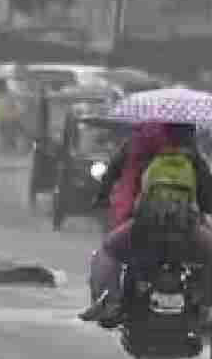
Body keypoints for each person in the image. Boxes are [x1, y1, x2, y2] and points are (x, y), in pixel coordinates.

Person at [81, 122, 212, 324]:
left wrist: (101, 198)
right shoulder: (194, 157)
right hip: (187, 231)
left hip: (144, 227)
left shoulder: (141, 147)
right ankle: (206, 305)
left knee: (109, 248)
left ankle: (111, 302)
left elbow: (115, 176)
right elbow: (207, 198)